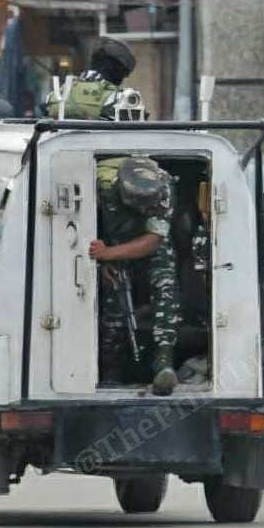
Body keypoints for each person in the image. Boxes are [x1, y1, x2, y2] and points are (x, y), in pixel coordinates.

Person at [91, 155, 180, 396]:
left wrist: (108, 254)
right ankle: (111, 371)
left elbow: (154, 240)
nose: (142, 209)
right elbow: (82, 228)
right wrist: (102, 263)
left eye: (146, 204)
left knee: (166, 283)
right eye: (137, 204)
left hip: (148, 242)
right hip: (113, 241)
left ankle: (163, 361)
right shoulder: (100, 186)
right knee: (114, 302)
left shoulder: (164, 187)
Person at [44, 36, 137, 121]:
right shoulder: (119, 98)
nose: (125, 76)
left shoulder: (58, 93)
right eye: (124, 72)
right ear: (113, 68)